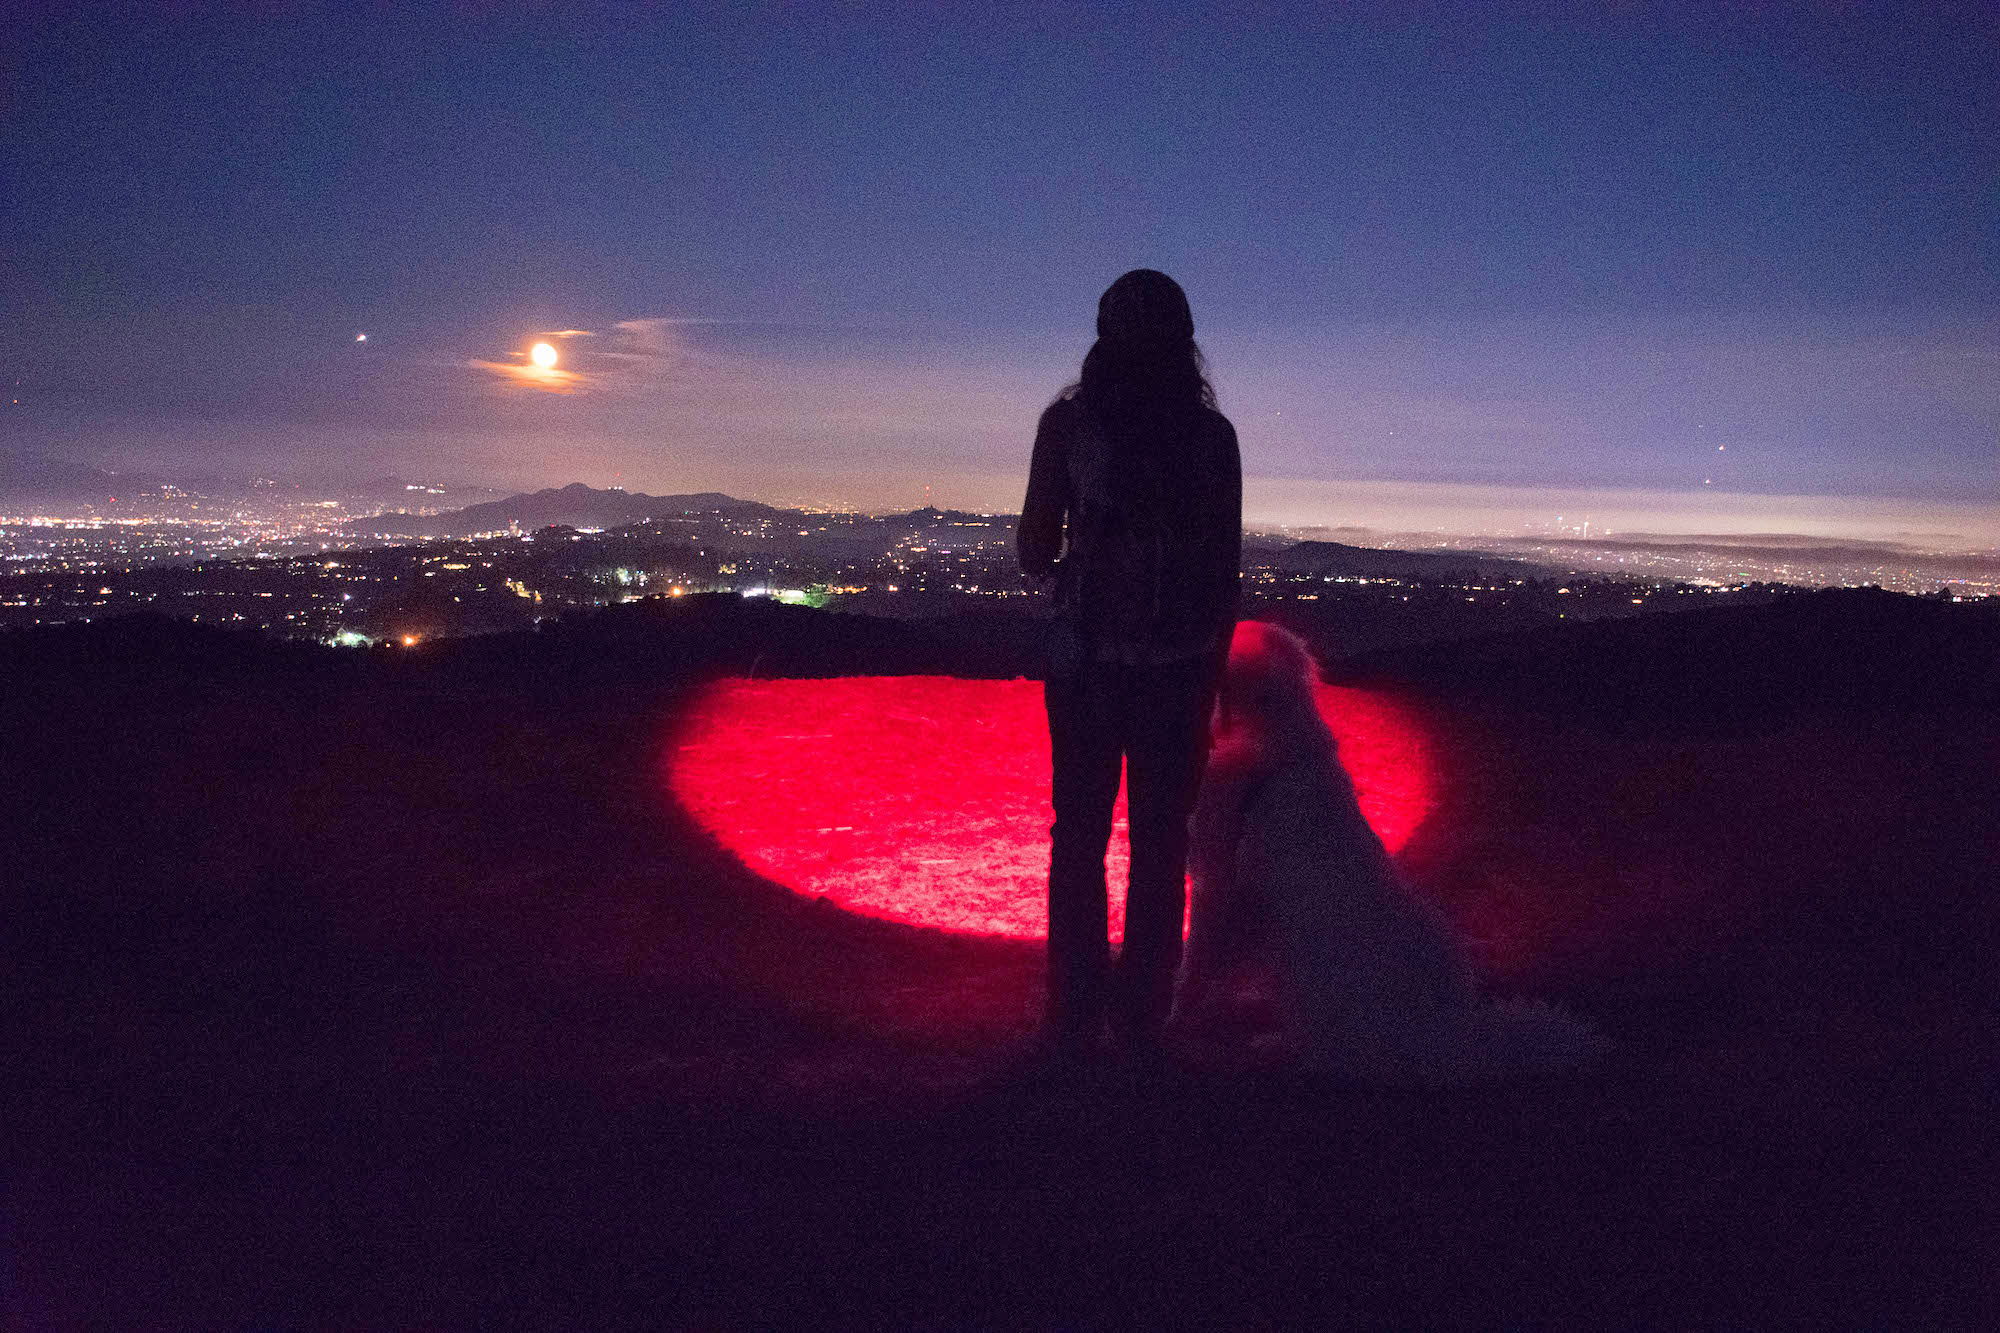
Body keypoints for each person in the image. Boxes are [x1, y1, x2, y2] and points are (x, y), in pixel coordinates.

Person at [1174, 621, 1608, 1086]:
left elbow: (1218, 904)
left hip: (1346, 1001)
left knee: (1318, 959)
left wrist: (1181, 1005)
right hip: (1395, 973)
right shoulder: (1307, 768)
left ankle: (1308, 1036)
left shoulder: (1251, 774)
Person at [1018, 269, 1242, 1069]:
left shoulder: (1070, 426)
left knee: (1077, 837)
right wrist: (1215, 677)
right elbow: (1224, 573)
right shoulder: (1213, 440)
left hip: (1086, 665)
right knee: (1160, 842)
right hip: (1179, 669)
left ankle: (1072, 1013)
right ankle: (1143, 1015)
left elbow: (1033, 548)